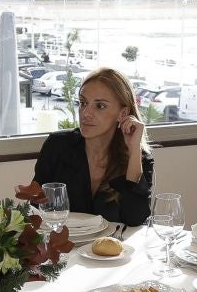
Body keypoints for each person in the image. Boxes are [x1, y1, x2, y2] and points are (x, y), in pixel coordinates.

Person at [26, 67, 153, 226]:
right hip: (64, 246)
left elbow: (135, 219)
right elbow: (36, 207)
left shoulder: (138, 158)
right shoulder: (58, 146)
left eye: (100, 106)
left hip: (113, 249)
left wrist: (134, 150)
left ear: (122, 113)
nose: (85, 113)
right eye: (83, 103)